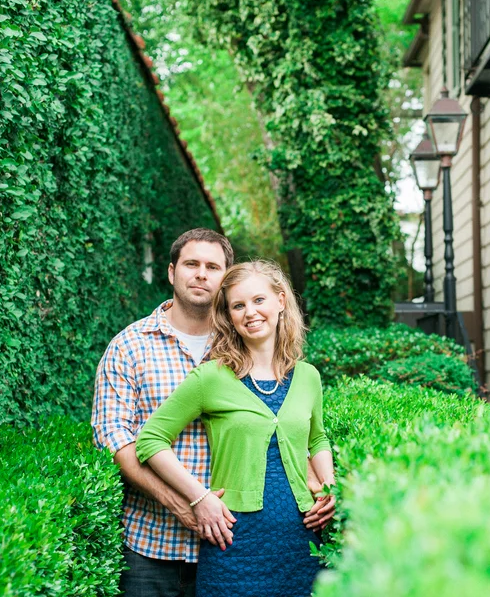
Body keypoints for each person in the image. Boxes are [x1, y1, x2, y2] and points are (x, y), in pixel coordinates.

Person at [135, 260, 336, 597]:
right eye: (238, 306)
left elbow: (317, 438)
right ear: (229, 316)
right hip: (233, 541)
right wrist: (198, 497)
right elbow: (151, 440)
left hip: (302, 538)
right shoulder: (209, 377)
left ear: (281, 302)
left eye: (259, 300)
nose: (250, 312)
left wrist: (329, 486)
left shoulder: (308, 376)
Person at [91, 228, 234, 597]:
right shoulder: (128, 346)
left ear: (225, 279)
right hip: (150, 548)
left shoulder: (243, 349)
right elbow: (114, 438)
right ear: (172, 272)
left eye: (212, 267)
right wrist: (182, 505)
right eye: (191, 264)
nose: (201, 274)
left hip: (229, 546)